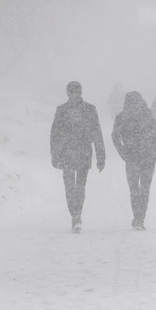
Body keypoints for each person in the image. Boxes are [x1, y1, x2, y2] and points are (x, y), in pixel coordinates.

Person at [50, 81, 106, 233]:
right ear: (81, 92)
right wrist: (101, 156)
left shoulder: (62, 110)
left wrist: (54, 154)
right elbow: (97, 133)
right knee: (80, 186)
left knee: (69, 187)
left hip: (67, 153)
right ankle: (77, 215)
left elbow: (54, 134)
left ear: (67, 92)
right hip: (84, 152)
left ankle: (75, 216)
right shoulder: (90, 109)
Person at [111, 91, 156, 230]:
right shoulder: (147, 115)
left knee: (134, 189)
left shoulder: (122, 117)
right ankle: (140, 218)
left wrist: (122, 151)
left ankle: (137, 216)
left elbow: (115, 136)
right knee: (145, 188)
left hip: (132, 157)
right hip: (148, 156)